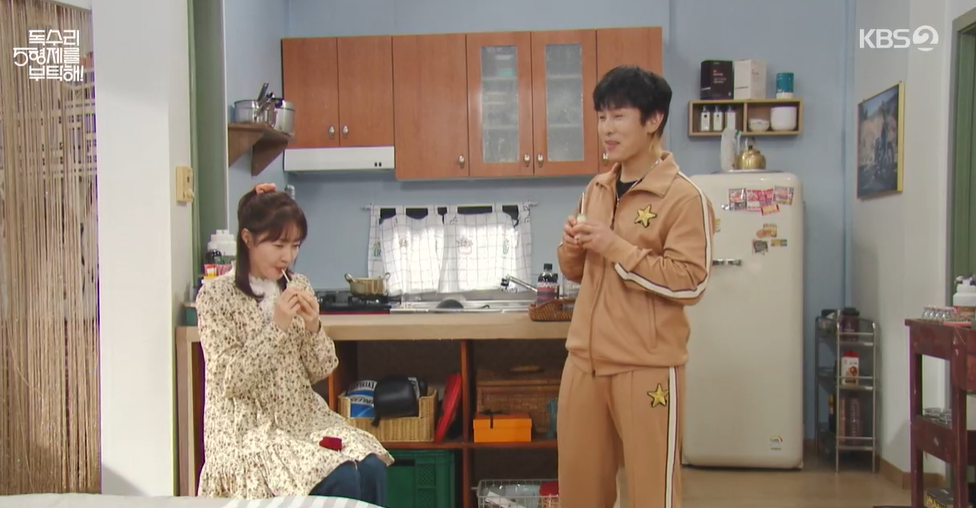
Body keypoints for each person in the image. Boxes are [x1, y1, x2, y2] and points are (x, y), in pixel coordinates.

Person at [556, 65, 715, 508]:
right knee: (579, 491)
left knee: (651, 495)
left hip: (646, 367)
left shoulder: (684, 197)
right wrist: (571, 245)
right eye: (601, 117)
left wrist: (616, 247)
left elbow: (691, 281)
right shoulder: (597, 188)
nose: (606, 129)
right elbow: (576, 270)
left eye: (619, 116)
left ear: (653, 120)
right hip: (584, 362)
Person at [195, 183, 393, 503]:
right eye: (278, 245)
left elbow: (321, 369)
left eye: (295, 245)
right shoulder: (216, 296)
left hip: (302, 419)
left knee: (371, 466)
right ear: (247, 239)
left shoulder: (297, 285)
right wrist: (277, 328)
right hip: (249, 431)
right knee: (340, 478)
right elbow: (230, 381)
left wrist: (314, 326)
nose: (287, 256)